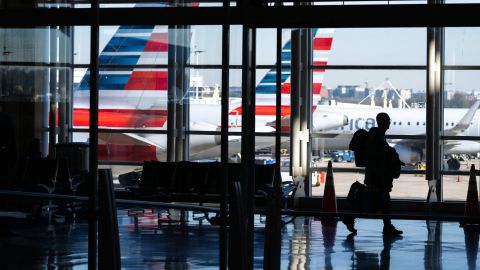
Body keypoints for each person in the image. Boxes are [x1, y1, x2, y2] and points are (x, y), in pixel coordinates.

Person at [342, 112, 403, 235]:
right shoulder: (377, 136)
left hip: (376, 174)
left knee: (380, 199)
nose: (389, 122)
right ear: (383, 122)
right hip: (377, 175)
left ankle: (386, 226)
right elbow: (377, 157)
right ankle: (350, 217)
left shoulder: (378, 135)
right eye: (388, 120)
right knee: (375, 199)